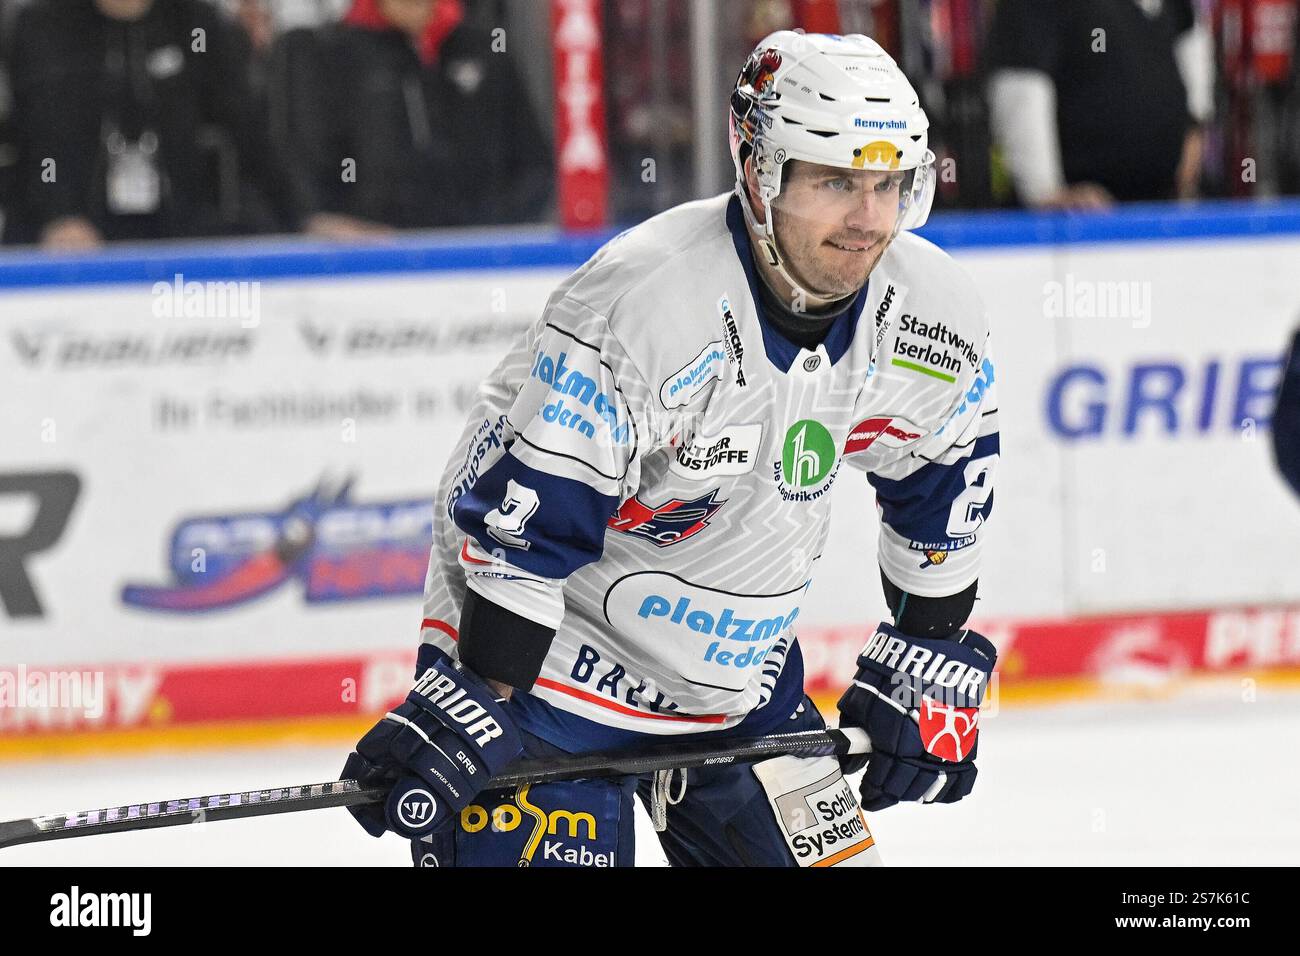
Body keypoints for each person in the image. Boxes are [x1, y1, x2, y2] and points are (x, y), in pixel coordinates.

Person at [342, 31, 1000, 867]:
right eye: (836, 181)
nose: (869, 219)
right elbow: (525, 540)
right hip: (548, 676)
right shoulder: (648, 305)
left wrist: (927, 657)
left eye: (887, 184)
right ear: (762, 174)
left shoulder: (932, 312)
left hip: (742, 689)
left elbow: (942, 494)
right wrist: (478, 696)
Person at [5, 0, 294, 248]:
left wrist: (303, 213)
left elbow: (248, 131)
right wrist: (58, 215)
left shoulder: (197, 26)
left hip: (183, 232)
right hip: (71, 235)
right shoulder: (42, 27)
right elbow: (36, 140)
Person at [276, 0, 551, 237]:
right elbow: (303, 171)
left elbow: (534, 165)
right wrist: (326, 222)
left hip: (480, 261)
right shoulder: (330, 55)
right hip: (370, 267)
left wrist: (490, 232)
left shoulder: (486, 50)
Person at [985, 0, 1213, 209]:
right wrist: (1044, 191)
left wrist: (1194, 127)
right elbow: (1020, 84)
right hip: (1080, 221)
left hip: (1162, 204)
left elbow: (1189, 36)